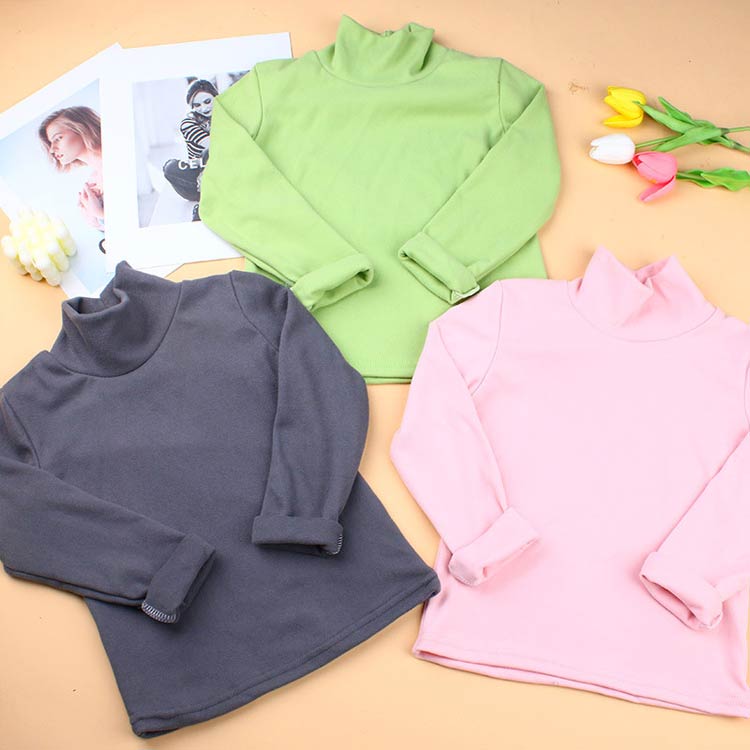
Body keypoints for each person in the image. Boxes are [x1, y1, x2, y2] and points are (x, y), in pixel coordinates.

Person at [38, 106, 106, 251]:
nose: (52, 149)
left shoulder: (115, 161)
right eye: (50, 143)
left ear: (82, 128)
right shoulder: (92, 182)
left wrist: (99, 213)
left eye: (58, 138)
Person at [163, 79, 216, 221]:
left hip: (224, 172)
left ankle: (213, 198)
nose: (204, 108)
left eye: (207, 101)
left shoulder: (224, 115)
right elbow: (212, 145)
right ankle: (208, 199)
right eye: (197, 105)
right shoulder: (188, 123)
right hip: (198, 178)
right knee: (170, 167)